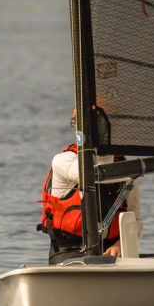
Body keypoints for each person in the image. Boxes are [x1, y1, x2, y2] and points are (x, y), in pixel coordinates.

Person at [39, 110, 142, 264]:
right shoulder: (63, 161)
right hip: (69, 252)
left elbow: (136, 220)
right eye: (77, 125)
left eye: (100, 126)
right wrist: (136, 169)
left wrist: (120, 245)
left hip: (112, 250)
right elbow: (90, 177)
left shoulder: (126, 168)